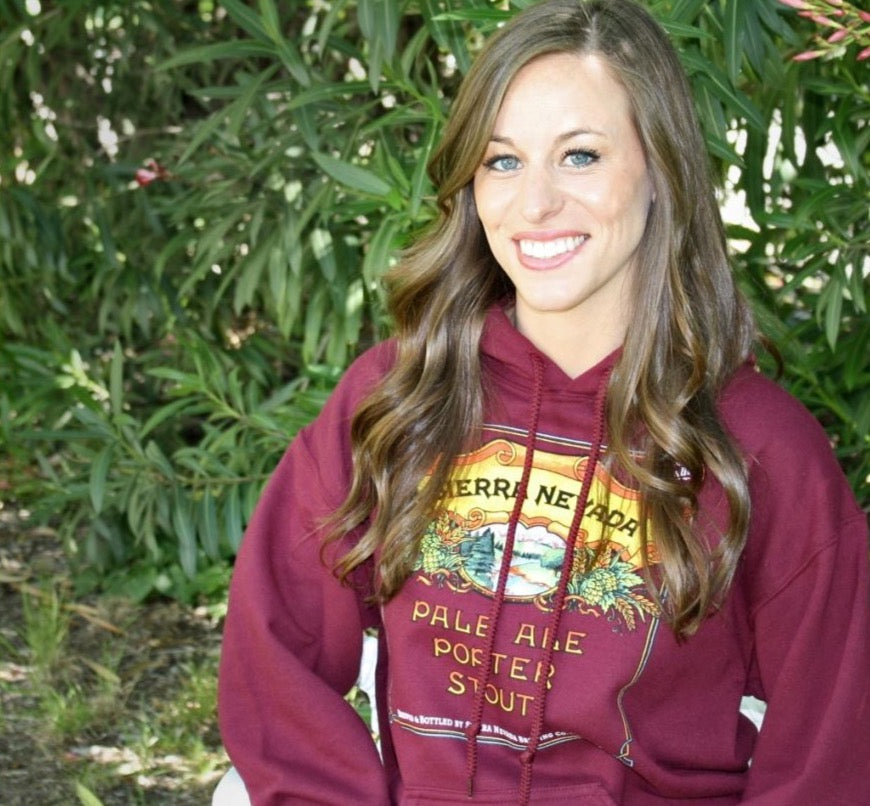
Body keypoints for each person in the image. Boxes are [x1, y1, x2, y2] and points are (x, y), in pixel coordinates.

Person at [217, 0, 870, 803]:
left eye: (581, 156)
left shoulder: (761, 448)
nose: (534, 205)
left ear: (661, 169)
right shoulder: (396, 400)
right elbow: (273, 662)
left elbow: (831, 753)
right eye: (503, 161)